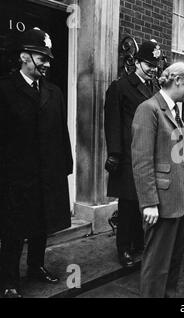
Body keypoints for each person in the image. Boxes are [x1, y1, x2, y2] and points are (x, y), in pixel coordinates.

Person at [0, 28, 73, 298]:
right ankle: (8, 278)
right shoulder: (5, 89)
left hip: (48, 173)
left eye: (48, 58)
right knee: (13, 230)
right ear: (23, 57)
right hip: (16, 177)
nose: (47, 64)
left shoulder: (54, 92)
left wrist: (65, 166)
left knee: (42, 225)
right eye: (42, 57)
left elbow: (61, 132)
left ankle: (35, 267)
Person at [132, 62, 184, 298]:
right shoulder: (148, 109)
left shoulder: (174, 112)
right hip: (161, 203)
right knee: (156, 265)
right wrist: (149, 202)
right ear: (178, 80)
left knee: (173, 262)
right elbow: (141, 160)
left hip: (179, 200)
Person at [104, 40, 161, 268]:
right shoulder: (120, 87)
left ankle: (138, 243)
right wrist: (114, 153)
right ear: (136, 62)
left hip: (147, 154)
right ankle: (124, 249)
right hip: (128, 156)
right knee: (127, 205)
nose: (153, 69)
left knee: (142, 203)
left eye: (155, 65)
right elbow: (112, 122)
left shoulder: (154, 88)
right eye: (148, 64)